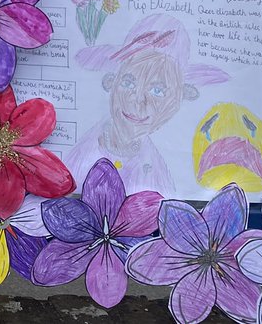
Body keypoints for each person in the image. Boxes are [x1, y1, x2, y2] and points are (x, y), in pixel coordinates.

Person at [65, 15, 228, 195]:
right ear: (111, 83)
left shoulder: (158, 173)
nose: (138, 100)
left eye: (157, 91)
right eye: (128, 83)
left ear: (176, 100)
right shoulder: (81, 156)